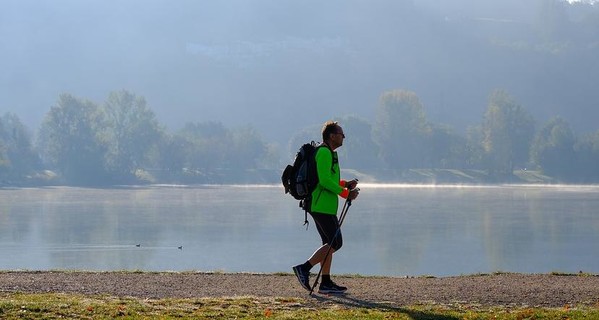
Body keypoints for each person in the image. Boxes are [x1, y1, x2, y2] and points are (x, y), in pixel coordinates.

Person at [292, 120, 359, 294]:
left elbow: (331, 180)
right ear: (331, 136)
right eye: (341, 133)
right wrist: (345, 194)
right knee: (335, 242)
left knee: (328, 244)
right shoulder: (323, 152)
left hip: (326, 206)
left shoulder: (330, 153)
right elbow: (324, 181)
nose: (343, 136)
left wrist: (345, 184)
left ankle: (326, 283)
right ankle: (304, 268)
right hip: (319, 205)